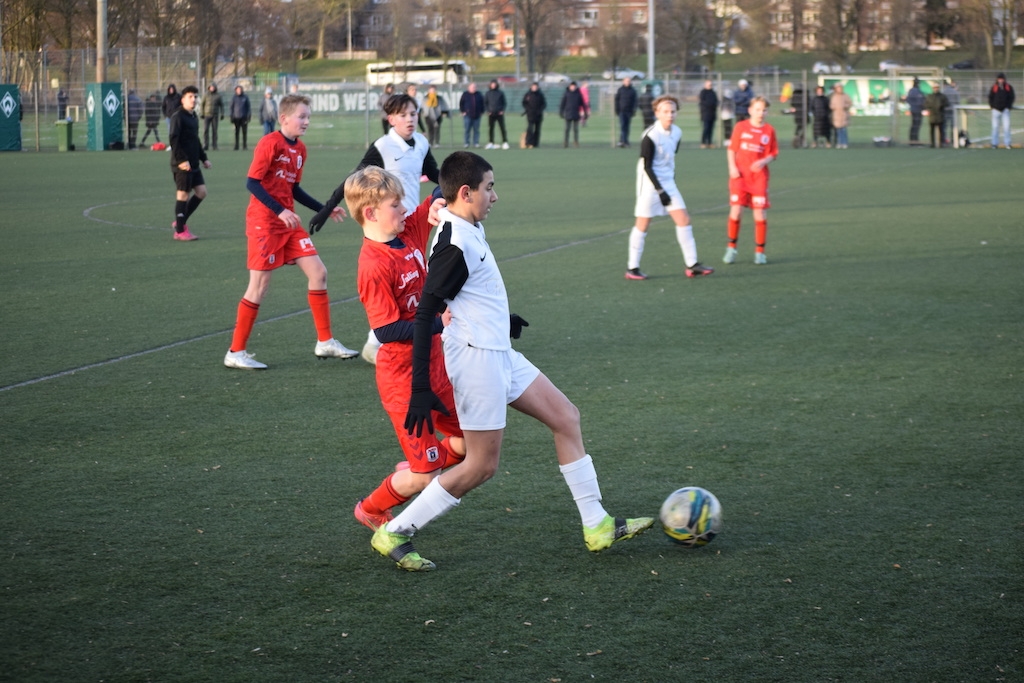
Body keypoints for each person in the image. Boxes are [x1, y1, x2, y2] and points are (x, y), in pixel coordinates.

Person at [366, 151, 654, 572]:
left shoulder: (468, 226)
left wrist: (504, 319)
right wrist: (422, 388)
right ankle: (395, 531)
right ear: (467, 193)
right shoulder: (454, 244)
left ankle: (597, 525)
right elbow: (426, 313)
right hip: (476, 362)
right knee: (481, 466)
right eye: (489, 188)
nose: (495, 196)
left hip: (499, 351)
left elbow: (468, 295)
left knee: (566, 417)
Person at [344, 167, 466, 530]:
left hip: (437, 369)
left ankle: (423, 458)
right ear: (371, 213)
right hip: (404, 383)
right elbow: (386, 330)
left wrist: (439, 200)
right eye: (395, 204)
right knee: (425, 478)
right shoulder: (373, 265)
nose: (404, 209)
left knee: (471, 441)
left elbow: (433, 199)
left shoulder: (406, 231)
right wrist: (437, 324)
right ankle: (370, 508)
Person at [223, 93, 359, 370]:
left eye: (308, 117)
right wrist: (279, 210)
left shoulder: (301, 150)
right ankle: (235, 352)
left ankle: (325, 341)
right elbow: (252, 183)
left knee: (318, 273)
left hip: (289, 224)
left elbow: (294, 189)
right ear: (284, 118)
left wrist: (324, 209)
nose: (306, 121)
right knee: (259, 286)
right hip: (265, 223)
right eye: (302, 116)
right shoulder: (270, 143)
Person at [310, 92, 441, 365]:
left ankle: (409, 339)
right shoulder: (382, 146)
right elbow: (353, 179)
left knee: (417, 281)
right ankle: (384, 342)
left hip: (413, 223)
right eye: (403, 115)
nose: (410, 119)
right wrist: (326, 208)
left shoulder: (421, 143)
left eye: (413, 113)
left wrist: (452, 187)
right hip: (387, 229)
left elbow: (435, 174)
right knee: (400, 284)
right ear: (391, 119)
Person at [625, 95, 714, 281]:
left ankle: (692, 265)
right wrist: (660, 191)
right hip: (649, 184)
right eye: (665, 111)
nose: (670, 115)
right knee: (643, 224)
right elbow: (647, 167)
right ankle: (632, 268)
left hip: (668, 182)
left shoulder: (677, 132)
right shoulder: (650, 136)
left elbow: (670, 158)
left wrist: (668, 185)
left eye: (673, 111)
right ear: (657, 113)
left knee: (684, 219)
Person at [724, 96, 778, 266]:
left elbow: (773, 153)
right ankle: (731, 248)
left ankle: (760, 252)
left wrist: (763, 161)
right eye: (757, 109)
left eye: (764, 110)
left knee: (759, 213)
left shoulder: (769, 130)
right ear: (750, 110)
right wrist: (732, 168)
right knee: (736, 211)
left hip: (759, 178)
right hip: (740, 177)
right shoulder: (741, 127)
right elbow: (732, 149)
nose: (760, 113)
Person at [168, 86, 211, 241]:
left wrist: (203, 158)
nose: (193, 99)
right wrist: (181, 160)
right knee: (183, 195)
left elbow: (195, 140)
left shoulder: (193, 116)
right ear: (183, 99)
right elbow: (174, 139)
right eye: (190, 97)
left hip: (193, 164)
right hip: (182, 164)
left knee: (201, 192)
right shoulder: (178, 116)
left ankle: (180, 222)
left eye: (195, 97)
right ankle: (180, 231)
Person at [989, 73, 1015, 149]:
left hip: (1005, 110)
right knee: (995, 127)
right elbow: (990, 97)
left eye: (1002, 79)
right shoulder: (994, 87)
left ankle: (1007, 143)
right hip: (996, 110)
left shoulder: (1008, 87)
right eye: (999, 79)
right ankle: (994, 143)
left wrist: (1008, 107)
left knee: (1006, 127)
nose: (1001, 80)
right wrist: (992, 106)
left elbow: (1012, 97)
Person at [484, 79, 509, 149]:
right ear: (490, 85)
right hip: (491, 114)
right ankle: (491, 142)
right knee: (491, 128)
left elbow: (504, 102)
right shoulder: (488, 93)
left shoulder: (500, 93)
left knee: (502, 128)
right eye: (492, 84)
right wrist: (488, 111)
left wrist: (502, 110)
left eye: (494, 84)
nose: (493, 85)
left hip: (499, 113)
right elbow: (485, 103)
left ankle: (505, 142)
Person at [924, 81, 950, 148]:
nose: (936, 89)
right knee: (932, 131)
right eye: (935, 87)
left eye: (937, 87)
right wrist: (930, 108)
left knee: (941, 131)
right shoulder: (930, 96)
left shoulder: (942, 96)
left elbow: (947, 104)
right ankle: (932, 143)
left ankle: (941, 143)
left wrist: (941, 106)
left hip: (940, 116)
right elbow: (926, 104)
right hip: (932, 116)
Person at [559, 81, 584, 148]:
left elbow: (582, 104)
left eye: (574, 86)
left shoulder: (578, 94)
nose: (573, 87)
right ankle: (565, 142)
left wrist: (584, 112)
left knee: (575, 129)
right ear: (569, 87)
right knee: (567, 129)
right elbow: (562, 104)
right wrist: (561, 112)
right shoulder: (566, 94)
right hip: (568, 113)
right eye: (571, 86)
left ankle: (576, 142)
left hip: (576, 113)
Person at [614, 77, 638, 147]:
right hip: (622, 111)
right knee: (622, 126)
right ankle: (623, 141)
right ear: (623, 82)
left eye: (629, 81)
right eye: (626, 81)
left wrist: (634, 110)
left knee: (627, 127)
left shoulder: (633, 91)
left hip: (629, 111)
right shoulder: (620, 90)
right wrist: (617, 109)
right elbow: (617, 100)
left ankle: (624, 140)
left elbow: (635, 101)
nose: (628, 82)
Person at [459, 82, 484, 148]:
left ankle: (476, 143)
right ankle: (466, 143)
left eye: (475, 87)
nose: (474, 88)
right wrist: (463, 111)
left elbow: (482, 103)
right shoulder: (465, 94)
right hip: (468, 115)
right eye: (472, 87)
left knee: (476, 130)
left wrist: (481, 111)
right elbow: (461, 103)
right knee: (467, 129)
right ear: (469, 88)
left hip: (477, 115)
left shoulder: (479, 94)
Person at [521, 82, 546, 148]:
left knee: (537, 129)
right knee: (530, 128)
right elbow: (524, 103)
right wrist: (528, 109)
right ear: (531, 87)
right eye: (533, 87)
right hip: (530, 114)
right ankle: (528, 142)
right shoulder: (528, 94)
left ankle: (536, 143)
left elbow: (544, 104)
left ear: (537, 87)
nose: (534, 88)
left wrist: (540, 110)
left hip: (538, 115)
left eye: (536, 87)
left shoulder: (540, 95)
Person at [201, 83, 224, 151]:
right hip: (207, 115)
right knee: (205, 130)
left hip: (215, 115)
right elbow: (202, 104)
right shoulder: (206, 95)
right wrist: (202, 113)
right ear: (209, 88)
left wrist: (222, 114)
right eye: (211, 87)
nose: (212, 88)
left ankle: (214, 145)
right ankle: (205, 145)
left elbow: (221, 105)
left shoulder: (218, 96)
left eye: (213, 87)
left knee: (214, 131)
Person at [829, 83, 852, 149]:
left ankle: (844, 143)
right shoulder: (834, 96)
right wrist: (834, 107)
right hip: (836, 115)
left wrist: (845, 106)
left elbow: (850, 103)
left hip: (844, 115)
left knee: (843, 130)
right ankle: (839, 142)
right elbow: (831, 105)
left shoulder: (845, 96)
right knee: (838, 131)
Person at [230, 85, 251, 151]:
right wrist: (231, 116)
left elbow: (248, 107)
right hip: (236, 118)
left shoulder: (245, 97)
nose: (239, 91)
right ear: (236, 90)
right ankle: (236, 146)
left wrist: (248, 116)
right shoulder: (234, 98)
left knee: (244, 132)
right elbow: (231, 108)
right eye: (238, 90)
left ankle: (244, 146)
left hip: (244, 117)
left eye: (240, 89)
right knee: (237, 133)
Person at [699, 79, 719, 148]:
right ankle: (703, 142)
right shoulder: (703, 92)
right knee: (706, 128)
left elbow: (716, 101)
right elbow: (703, 102)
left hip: (712, 113)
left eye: (711, 84)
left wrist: (714, 104)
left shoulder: (713, 92)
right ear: (705, 85)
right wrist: (710, 104)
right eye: (709, 84)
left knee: (711, 129)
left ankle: (710, 142)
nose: (710, 86)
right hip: (705, 114)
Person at [906, 78, 925, 145]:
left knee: (915, 125)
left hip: (916, 109)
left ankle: (914, 140)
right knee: (916, 125)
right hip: (916, 110)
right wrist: (918, 105)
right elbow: (918, 100)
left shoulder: (914, 90)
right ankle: (914, 140)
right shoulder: (915, 91)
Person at [943, 79, 960, 146]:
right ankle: (953, 139)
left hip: (945, 110)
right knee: (953, 126)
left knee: (944, 126)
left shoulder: (943, 92)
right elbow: (958, 102)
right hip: (953, 111)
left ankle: (944, 140)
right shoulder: (955, 92)